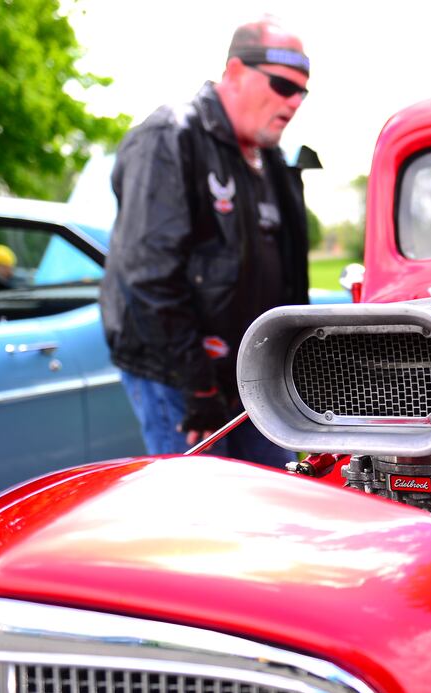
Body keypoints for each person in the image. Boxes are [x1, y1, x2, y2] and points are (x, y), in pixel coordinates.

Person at [100, 17, 314, 466]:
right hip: (183, 379)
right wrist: (196, 385)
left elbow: (289, 277)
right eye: (282, 85)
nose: (294, 101)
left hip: (257, 375)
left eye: (302, 92)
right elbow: (149, 275)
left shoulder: (273, 161)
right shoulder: (171, 136)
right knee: (203, 503)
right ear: (235, 72)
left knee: (276, 493)